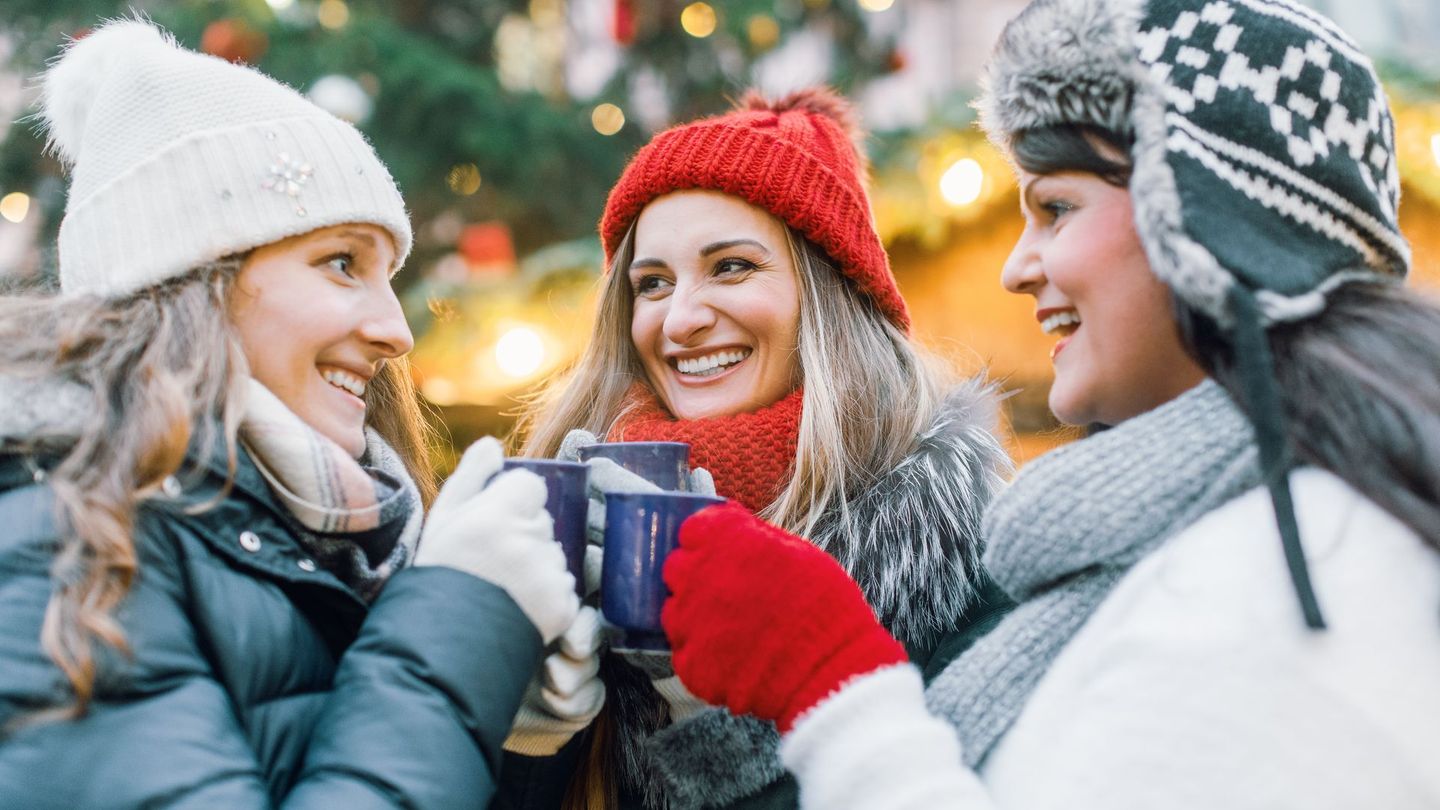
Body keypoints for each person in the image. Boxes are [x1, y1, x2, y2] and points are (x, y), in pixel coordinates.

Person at [656, 0, 1440, 807]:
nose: (1017, 267)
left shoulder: (1294, 576)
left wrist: (833, 686)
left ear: (1207, 223)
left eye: (1056, 208)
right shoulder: (1155, 545)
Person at [0, 21, 579, 808]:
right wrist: (463, 620)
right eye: (342, 263)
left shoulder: (329, 545)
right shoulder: (53, 543)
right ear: (195, 278)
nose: (396, 333)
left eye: (388, 277)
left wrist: (510, 715)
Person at [497, 89, 1014, 809]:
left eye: (732, 267)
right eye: (652, 283)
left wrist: (720, 729)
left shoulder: (963, 561)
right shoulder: (574, 516)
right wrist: (515, 736)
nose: (680, 320)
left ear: (829, 294)